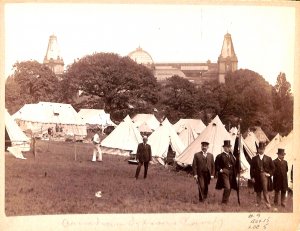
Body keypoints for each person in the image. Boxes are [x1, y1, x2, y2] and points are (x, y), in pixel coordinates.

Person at [250, 142, 275, 208]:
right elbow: (251, 169)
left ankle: (267, 204)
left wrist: (269, 174)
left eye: (263, 149)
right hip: (257, 176)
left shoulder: (268, 158)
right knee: (258, 190)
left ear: (264, 149)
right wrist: (252, 177)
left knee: (265, 190)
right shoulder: (254, 158)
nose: (261, 150)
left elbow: (273, 168)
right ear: (258, 149)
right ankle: (258, 204)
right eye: (260, 149)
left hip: (265, 177)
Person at [215, 140, 238, 205]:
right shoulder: (220, 156)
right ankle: (224, 202)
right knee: (227, 187)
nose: (228, 148)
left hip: (231, 174)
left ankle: (225, 201)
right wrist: (221, 170)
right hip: (224, 173)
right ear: (224, 148)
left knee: (230, 188)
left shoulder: (232, 156)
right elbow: (216, 165)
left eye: (229, 147)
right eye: (227, 147)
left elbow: (235, 164)